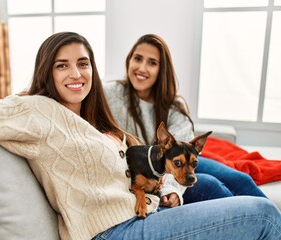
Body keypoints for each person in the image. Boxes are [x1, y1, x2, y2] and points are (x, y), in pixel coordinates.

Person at [0, 32, 280, 240]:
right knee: (264, 215)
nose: (76, 73)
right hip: (112, 232)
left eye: (83, 63)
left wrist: (168, 193)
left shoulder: (100, 122)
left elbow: (149, 172)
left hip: (144, 215)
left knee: (221, 186)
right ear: (47, 71)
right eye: (62, 64)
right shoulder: (35, 109)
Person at [103, 33, 267, 206]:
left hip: (176, 164)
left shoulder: (173, 104)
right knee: (211, 186)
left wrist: (171, 188)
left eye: (152, 63)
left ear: (162, 69)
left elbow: (181, 145)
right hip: (147, 171)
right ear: (129, 60)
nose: (142, 68)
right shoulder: (110, 94)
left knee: (241, 179)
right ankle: (251, 224)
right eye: (138, 58)